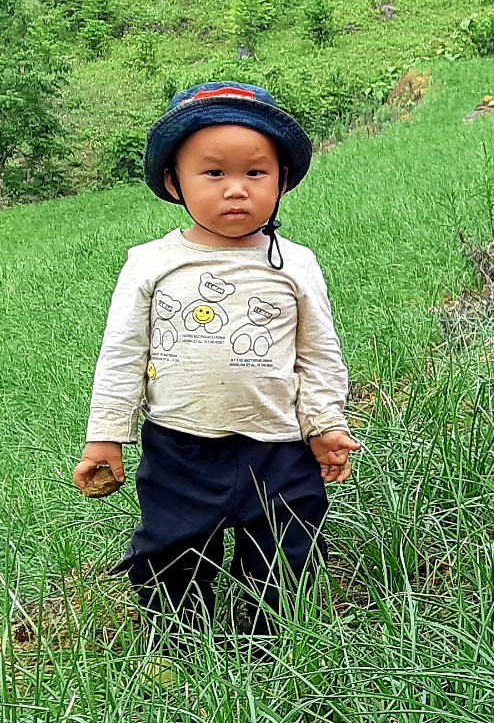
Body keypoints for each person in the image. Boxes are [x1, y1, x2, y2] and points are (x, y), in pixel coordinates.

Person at [77, 83, 360, 638]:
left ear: (282, 180)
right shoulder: (151, 263)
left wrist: (325, 425)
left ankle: (271, 644)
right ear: (172, 181)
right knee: (170, 552)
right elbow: (122, 354)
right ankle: (182, 645)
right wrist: (106, 435)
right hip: (180, 443)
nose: (236, 190)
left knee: (286, 550)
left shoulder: (295, 263)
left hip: (279, 445)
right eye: (213, 174)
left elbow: (319, 353)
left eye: (256, 173)